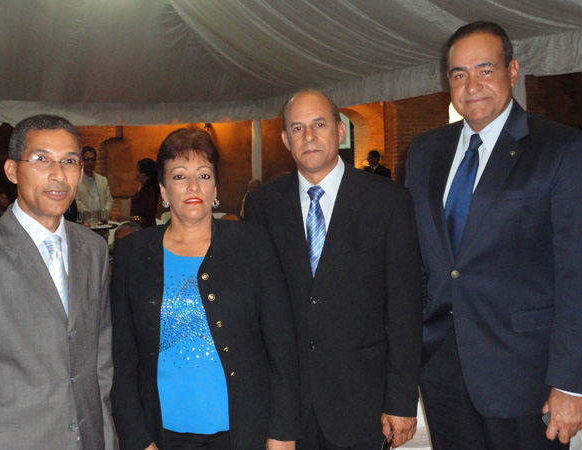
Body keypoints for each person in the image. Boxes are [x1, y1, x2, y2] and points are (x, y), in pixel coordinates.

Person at [405, 21, 582, 450]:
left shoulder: (559, 148)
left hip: (526, 377)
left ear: (512, 71)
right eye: (459, 74)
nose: (472, 86)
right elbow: (418, 259)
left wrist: (570, 383)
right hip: (442, 371)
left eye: (485, 70)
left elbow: (575, 271)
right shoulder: (425, 151)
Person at [244, 89, 422, 450]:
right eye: (297, 128)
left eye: (319, 124)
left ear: (340, 131)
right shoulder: (263, 205)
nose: (308, 136)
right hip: (289, 405)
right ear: (285, 139)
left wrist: (401, 400)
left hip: (363, 400)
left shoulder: (388, 200)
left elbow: (405, 305)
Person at [110, 127, 300, 450]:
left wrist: (282, 432)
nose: (193, 185)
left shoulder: (252, 244)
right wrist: (137, 439)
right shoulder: (133, 254)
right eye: (179, 176)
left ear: (215, 189)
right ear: (163, 191)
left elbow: (282, 347)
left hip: (243, 432)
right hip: (162, 436)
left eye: (203, 174)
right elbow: (121, 359)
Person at [0, 114, 116, 449]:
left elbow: (100, 357)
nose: (58, 175)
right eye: (42, 159)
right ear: (12, 170)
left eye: (69, 161)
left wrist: (106, 435)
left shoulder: (93, 248)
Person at [117, 158, 160, 228]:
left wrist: (126, 218)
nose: (136, 174)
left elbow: (143, 218)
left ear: (146, 174)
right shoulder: (143, 189)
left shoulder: (150, 192)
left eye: (138, 170)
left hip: (145, 229)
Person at [76, 146, 114, 218]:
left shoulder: (103, 180)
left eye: (93, 160)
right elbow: (76, 202)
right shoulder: (76, 180)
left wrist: (104, 215)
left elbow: (109, 200)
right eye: (87, 159)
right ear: (81, 161)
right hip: (85, 220)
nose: (90, 162)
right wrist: (91, 217)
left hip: (102, 220)